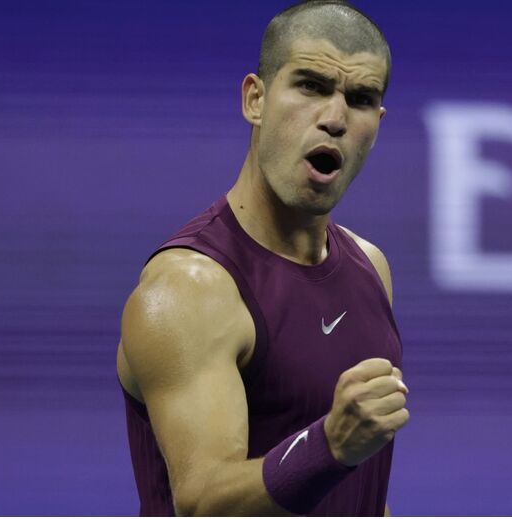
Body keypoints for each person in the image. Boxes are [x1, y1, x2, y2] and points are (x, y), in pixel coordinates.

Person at [115, 1, 408, 515]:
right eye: (311, 86)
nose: (335, 119)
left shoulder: (370, 267)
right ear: (255, 98)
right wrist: (330, 447)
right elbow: (203, 502)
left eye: (360, 99)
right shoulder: (189, 289)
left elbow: (358, 499)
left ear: (377, 123)